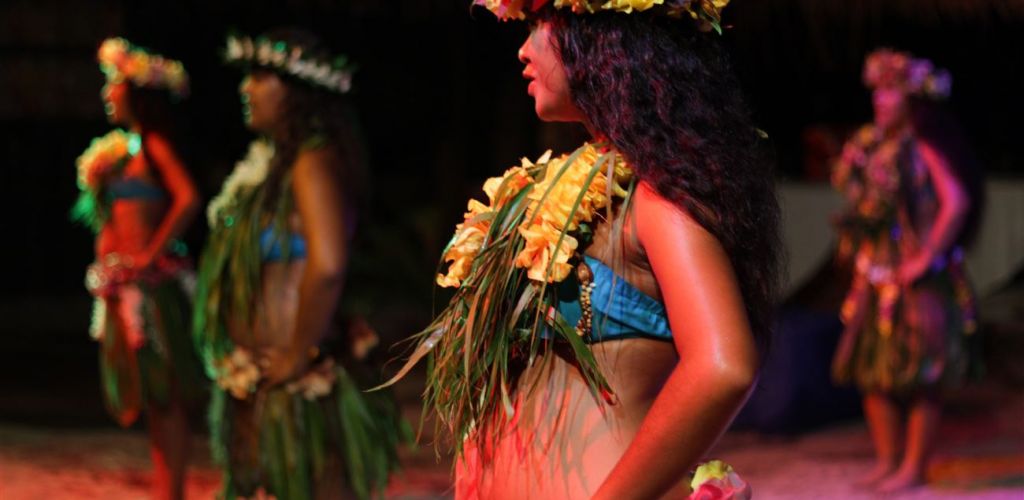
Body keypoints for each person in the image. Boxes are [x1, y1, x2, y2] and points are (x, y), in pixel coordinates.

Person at [381, 1, 779, 498]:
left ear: (600, 39)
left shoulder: (654, 199)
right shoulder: (554, 187)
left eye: (537, 27)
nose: (523, 50)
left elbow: (724, 366)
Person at [194, 29, 407, 499]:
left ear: (298, 91)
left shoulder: (313, 162)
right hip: (261, 379)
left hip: (296, 382)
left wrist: (295, 354)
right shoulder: (276, 164)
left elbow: (328, 263)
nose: (245, 88)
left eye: (260, 76)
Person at [831, 48, 981, 493]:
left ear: (912, 99)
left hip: (919, 283)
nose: (879, 100)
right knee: (870, 374)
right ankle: (888, 461)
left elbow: (957, 201)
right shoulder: (871, 143)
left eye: (890, 91)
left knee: (921, 378)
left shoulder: (923, 145)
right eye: (876, 91)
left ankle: (914, 467)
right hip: (876, 278)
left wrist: (925, 256)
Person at [73, 37, 203, 500]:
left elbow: (187, 198)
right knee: (150, 396)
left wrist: (150, 254)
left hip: (155, 289)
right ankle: (166, 489)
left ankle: (174, 490)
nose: (107, 95)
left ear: (137, 93)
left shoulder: (152, 147)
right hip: (124, 288)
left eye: (114, 86)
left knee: (168, 393)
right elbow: (106, 220)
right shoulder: (119, 152)